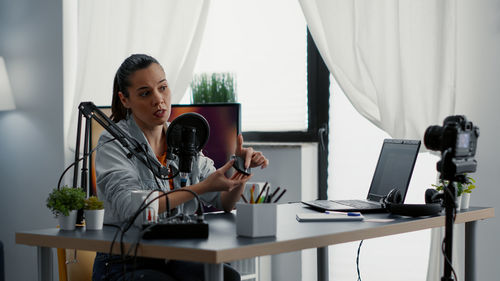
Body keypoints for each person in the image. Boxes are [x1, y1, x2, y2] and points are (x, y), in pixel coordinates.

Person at [92, 54, 269, 281]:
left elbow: (224, 202)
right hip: (123, 262)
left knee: (229, 277)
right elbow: (136, 210)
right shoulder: (112, 142)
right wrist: (200, 188)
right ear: (124, 99)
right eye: (145, 93)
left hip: (175, 257)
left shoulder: (185, 136)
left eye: (163, 88)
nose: (159, 100)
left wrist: (240, 170)